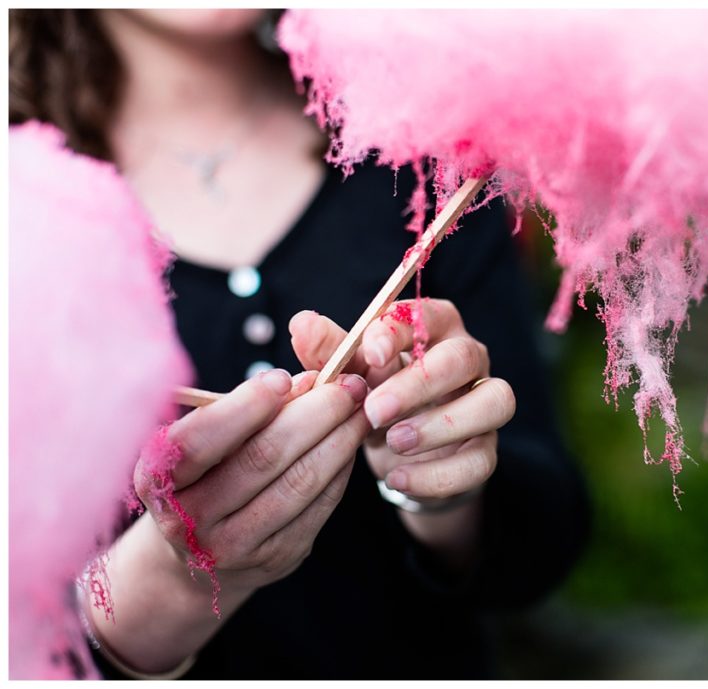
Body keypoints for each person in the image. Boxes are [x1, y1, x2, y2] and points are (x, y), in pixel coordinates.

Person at [10, 9, 590, 680]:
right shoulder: (21, 209)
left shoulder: (423, 154)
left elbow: (541, 549)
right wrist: (160, 592)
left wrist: (442, 488)